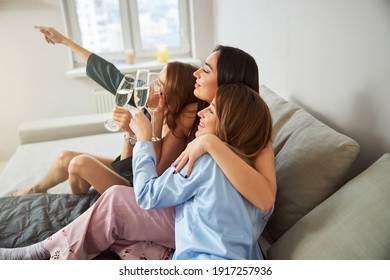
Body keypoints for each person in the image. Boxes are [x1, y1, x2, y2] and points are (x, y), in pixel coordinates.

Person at [0, 40, 276, 260]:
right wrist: (149, 124)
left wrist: (209, 143)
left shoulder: (249, 128)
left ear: (227, 80)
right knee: (99, 189)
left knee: (115, 197)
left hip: (201, 222)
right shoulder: (198, 111)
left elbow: (264, 199)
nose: (196, 73)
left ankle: (44, 255)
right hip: (184, 203)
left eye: (205, 69)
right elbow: (160, 170)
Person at [11, 26, 203, 196]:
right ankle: (34, 190)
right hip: (130, 170)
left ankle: (84, 202)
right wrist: (64, 41)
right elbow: (108, 73)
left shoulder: (178, 126)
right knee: (65, 158)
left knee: (79, 163)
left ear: (173, 95)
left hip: (138, 185)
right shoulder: (146, 100)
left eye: (159, 83)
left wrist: (156, 119)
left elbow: (151, 176)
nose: (151, 84)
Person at [130, 83, 273, 259]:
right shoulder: (256, 176)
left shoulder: (203, 161)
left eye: (211, 111)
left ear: (231, 122)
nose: (200, 113)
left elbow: (146, 195)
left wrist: (143, 139)